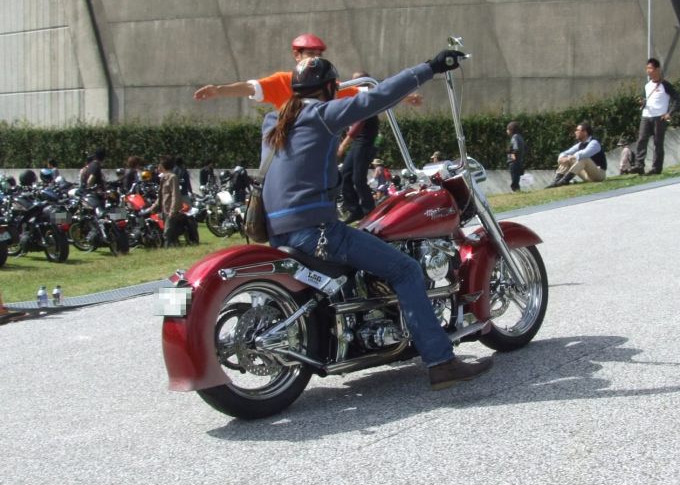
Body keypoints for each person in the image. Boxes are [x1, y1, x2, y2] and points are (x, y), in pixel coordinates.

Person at [261, 51, 493, 390]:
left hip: (278, 232)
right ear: (330, 88)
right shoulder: (323, 115)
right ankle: (441, 362)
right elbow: (379, 97)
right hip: (316, 231)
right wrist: (431, 67)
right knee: (406, 270)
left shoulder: (274, 120)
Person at [193, 33, 421, 110]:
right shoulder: (283, 81)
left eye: (318, 54)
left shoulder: (330, 86)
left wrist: (403, 96)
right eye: (310, 53)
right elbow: (250, 87)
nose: (315, 58)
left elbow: (368, 92)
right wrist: (219, 90)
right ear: (297, 55)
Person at [338, 71, 380, 224]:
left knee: (358, 179)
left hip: (365, 142)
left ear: (366, 83)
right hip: (358, 142)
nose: (354, 85)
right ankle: (355, 210)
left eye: (357, 82)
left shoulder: (367, 99)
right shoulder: (354, 98)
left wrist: (343, 145)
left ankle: (370, 212)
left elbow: (359, 124)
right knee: (345, 175)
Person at [632, 58, 680, 175]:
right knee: (641, 140)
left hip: (659, 117)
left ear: (657, 69)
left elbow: (677, 99)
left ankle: (656, 168)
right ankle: (639, 165)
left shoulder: (665, 85)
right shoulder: (647, 85)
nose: (648, 71)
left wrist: (669, 113)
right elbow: (645, 99)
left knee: (658, 143)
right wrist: (642, 102)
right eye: (647, 68)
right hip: (646, 116)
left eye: (650, 68)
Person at [546, 121, 607, 188]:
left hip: (599, 174)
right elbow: (566, 153)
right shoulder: (580, 144)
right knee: (567, 159)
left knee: (584, 158)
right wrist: (561, 158)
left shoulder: (594, 143)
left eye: (577, 130)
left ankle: (564, 181)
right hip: (587, 175)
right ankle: (556, 181)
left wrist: (569, 158)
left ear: (585, 132)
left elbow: (584, 153)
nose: (575, 132)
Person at [145, 156, 183, 247]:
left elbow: (175, 195)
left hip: (170, 210)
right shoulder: (164, 178)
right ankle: (173, 248)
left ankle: (168, 249)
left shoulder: (172, 177)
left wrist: (173, 210)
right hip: (164, 210)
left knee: (167, 233)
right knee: (170, 233)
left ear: (163, 165)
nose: (158, 166)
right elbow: (161, 197)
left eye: (159, 164)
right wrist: (152, 208)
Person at [506, 121, 526, 192]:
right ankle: (518, 190)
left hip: (514, 162)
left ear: (511, 130)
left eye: (507, 129)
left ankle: (516, 190)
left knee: (514, 179)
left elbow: (516, 149)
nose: (506, 131)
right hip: (519, 161)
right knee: (517, 179)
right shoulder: (520, 137)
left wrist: (512, 159)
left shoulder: (514, 137)